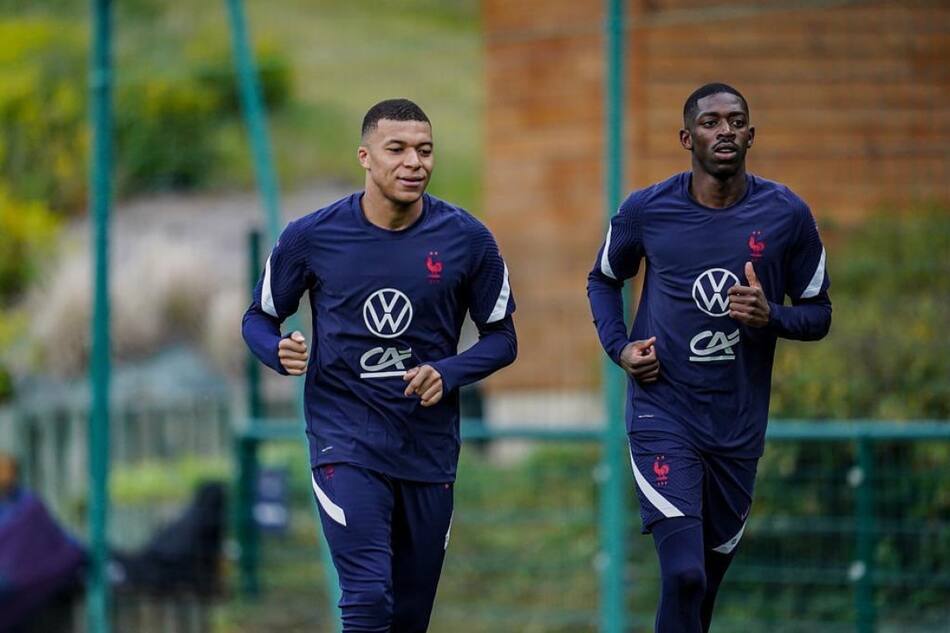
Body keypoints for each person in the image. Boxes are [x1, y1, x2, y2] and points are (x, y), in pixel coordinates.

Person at [242, 98, 517, 632]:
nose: (414, 162)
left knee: (409, 619)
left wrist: (449, 371)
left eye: (425, 150)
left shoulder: (468, 239)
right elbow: (258, 317)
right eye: (398, 149)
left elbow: (503, 339)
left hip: (428, 451)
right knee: (368, 600)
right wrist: (276, 350)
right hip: (344, 440)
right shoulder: (311, 236)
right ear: (365, 156)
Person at [587, 83, 831, 632]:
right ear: (686, 137)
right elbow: (603, 279)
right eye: (710, 121)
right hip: (662, 414)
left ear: (751, 135)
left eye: (735, 121)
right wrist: (620, 347)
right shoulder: (646, 211)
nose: (724, 130)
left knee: (704, 592)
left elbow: (819, 313)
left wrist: (773, 316)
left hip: (737, 427)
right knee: (684, 576)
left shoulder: (787, 214)